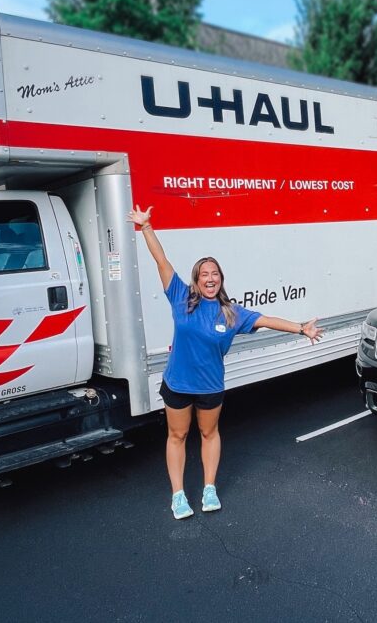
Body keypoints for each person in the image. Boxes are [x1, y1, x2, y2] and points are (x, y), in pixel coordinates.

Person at [127, 204, 323, 520]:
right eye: (204, 274)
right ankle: (178, 495)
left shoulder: (232, 313)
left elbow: (267, 319)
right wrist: (146, 226)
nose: (209, 278)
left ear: (221, 279)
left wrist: (301, 328)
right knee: (177, 436)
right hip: (177, 383)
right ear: (196, 279)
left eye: (214, 273)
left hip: (209, 387)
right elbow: (161, 260)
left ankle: (208, 488)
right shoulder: (180, 297)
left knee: (209, 434)